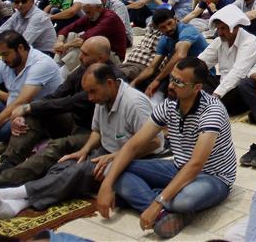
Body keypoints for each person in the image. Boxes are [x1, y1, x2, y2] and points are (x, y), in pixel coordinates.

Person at [0, 63, 160, 220]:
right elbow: (97, 131)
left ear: (110, 83)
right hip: (106, 152)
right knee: (63, 165)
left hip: (133, 160)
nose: (90, 98)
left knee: (82, 170)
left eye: (93, 91)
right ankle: (19, 204)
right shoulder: (103, 99)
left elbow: (155, 143)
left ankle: (13, 193)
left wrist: (116, 156)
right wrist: (84, 150)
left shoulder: (134, 103)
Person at [97, 58, 236, 239]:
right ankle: (164, 215)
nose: (171, 85)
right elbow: (133, 145)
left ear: (196, 88)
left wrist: (158, 202)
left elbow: (196, 164)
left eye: (179, 82)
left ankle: (152, 201)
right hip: (178, 168)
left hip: (213, 177)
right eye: (172, 78)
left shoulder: (212, 111)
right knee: (112, 168)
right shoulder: (170, 104)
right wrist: (105, 186)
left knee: (184, 201)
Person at [198, 4, 256, 115]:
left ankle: (209, 105)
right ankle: (208, 104)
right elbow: (201, 62)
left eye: (223, 28)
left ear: (235, 27)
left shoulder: (250, 42)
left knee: (210, 98)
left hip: (240, 89)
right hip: (224, 83)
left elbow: (237, 74)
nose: (220, 32)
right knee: (198, 75)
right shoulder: (220, 41)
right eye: (218, 28)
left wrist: (216, 95)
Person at [131, 8, 209, 99]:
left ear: (175, 19)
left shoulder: (188, 31)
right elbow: (152, 67)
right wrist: (133, 83)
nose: (168, 28)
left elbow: (180, 55)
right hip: (179, 74)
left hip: (202, 75)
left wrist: (157, 80)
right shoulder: (164, 39)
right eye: (163, 27)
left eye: (169, 23)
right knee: (145, 84)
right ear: (158, 28)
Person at [56, 0, 128, 63]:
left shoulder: (110, 18)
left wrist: (65, 46)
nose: (86, 15)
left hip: (114, 56)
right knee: (70, 35)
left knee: (85, 49)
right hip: (100, 50)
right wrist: (59, 42)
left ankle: (62, 70)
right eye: (85, 12)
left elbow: (84, 39)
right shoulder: (91, 14)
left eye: (88, 12)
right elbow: (67, 29)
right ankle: (57, 63)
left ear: (99, 8)